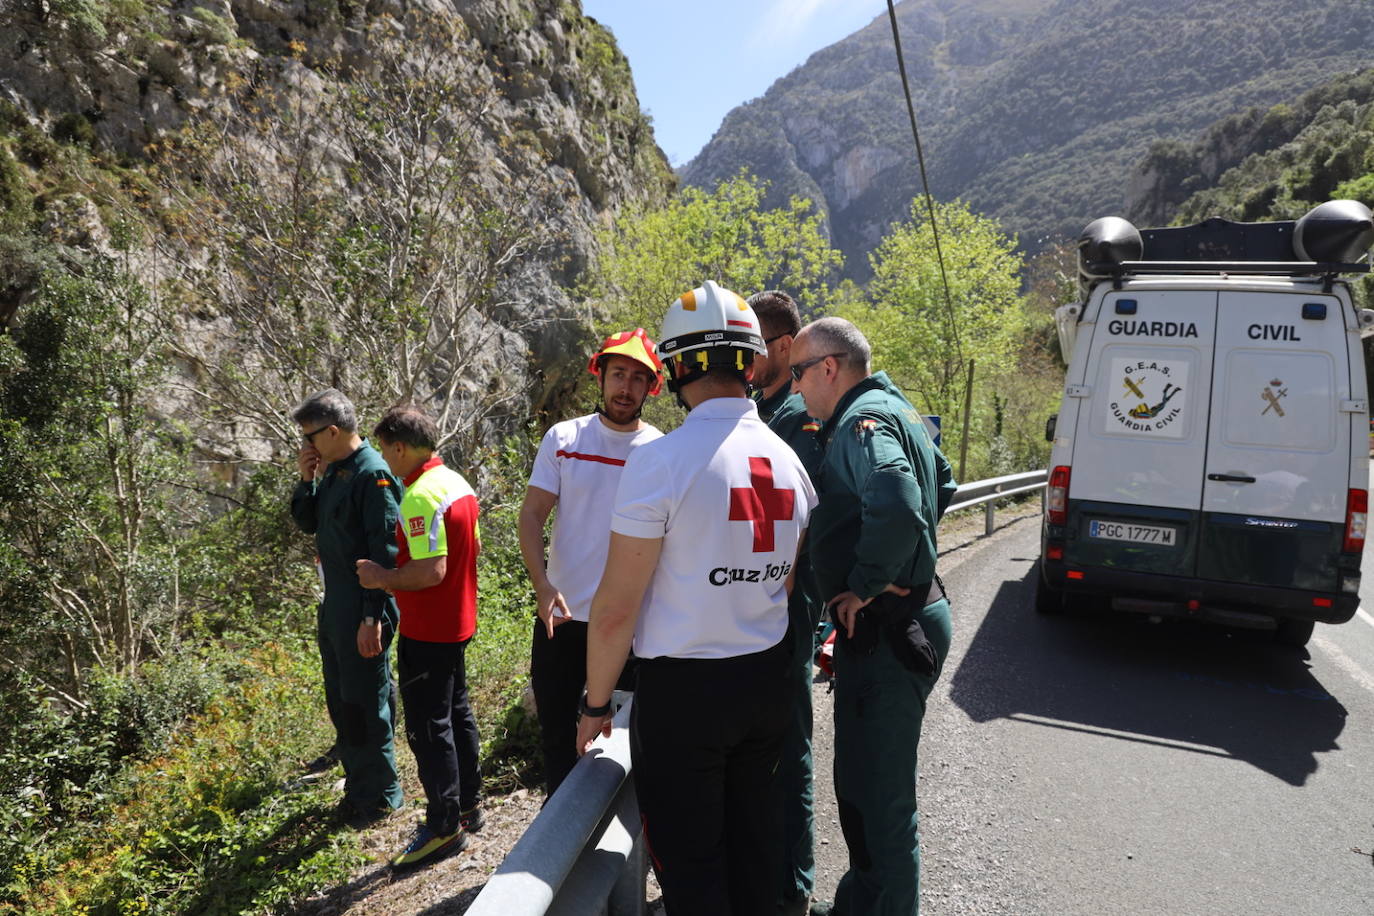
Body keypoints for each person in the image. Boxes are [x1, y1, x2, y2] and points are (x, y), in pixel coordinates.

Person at [575, 281, 817, 915]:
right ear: (751, 361)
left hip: (685, 697)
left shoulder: (660, 463)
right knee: (757, 852)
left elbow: (617, 607)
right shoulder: (789, 461)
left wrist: (595, 703)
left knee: (693, 869)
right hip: (766, 684)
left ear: (675, 365)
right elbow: (787, 582)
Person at [788, 317, 957, 916]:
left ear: (828, 368)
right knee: (861, 782)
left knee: (880, 797)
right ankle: (863, 902)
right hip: (903, 617)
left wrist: (864, 583)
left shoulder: (863, 422)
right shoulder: (898, 407)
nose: (796, 387)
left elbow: (897, 493)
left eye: (798, 373)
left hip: (888, 627)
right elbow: (945, 481)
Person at [518, 329, 665, 796]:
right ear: (599, 377)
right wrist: (541, 586)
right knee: (558, 736)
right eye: (618, 374)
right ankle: (558, 841)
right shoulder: (565, 437)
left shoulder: (660, 450)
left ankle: (620, 843)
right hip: (561, 617)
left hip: (631, 624)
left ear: (651, 389)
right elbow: (532, 515)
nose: (626, 387)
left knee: (627, 738)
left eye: (638, 379)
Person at [355, 406, 484, 870]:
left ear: (401, 447)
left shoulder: (419, 497)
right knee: (457, 713)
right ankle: (469, 804)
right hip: (459, 622)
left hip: (430, 629)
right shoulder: (456, 483)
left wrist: (379, 577)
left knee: (430, 730)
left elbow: (431, 571)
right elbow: (472, 549)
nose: (386, 462)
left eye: (387, 451)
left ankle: (445, 826)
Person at [289, 388, 404, 826]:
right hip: (335, 604)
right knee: (342, 698)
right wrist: (306, 480)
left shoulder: (372, 474)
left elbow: (386, 551)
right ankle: (359, 785)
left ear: (333, 431)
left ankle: (379, 797)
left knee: (365, 703)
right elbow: (307, 521)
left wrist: (371, 617)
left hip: (362, 608)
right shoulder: (334, 470)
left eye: (311, 438)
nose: (307, 446)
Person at [747, 290, 825, 916]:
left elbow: (806, 522)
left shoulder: (798, 419)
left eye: (753, 347)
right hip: (757, 606)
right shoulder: (762, 410)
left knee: (790, 747)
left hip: (788, 612)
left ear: (780, 348)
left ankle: (792, 886)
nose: (743, 359)